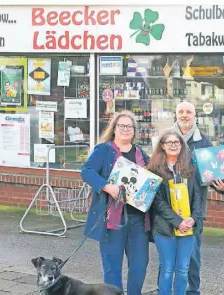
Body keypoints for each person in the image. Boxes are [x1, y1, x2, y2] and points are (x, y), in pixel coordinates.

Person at [81, 110, 150, 295]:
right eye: (122, 126)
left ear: (134, 131)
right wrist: (107, 187)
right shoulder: (104, 150)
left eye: (129, 126)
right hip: (112, 221)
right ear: (114, 129)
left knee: (139, 267)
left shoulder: (141, 154)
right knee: (112, 269)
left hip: (138, 221)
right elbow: (86, 172)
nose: (125, 129)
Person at [173, 101, 224, 295]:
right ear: (176, 114)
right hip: (170, 207)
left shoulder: (203, 140)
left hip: (194, 207)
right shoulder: (166, 138)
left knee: (192, 254)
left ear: (195, 115)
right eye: (181, 111)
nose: (184, 115)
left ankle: (192, 290)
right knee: (168, 254)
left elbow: (212, 173)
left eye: (188, 112)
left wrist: (223, 188)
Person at [147, 130, 202, 295]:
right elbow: (157, 202)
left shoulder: (189, 170)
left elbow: (197, 198)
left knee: (183, 269)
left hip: (188, 228)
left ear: (181, 146)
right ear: (162, 146)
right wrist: (178, 221)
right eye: (169, 142)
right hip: (164, 228)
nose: (173, 145)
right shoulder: (154, 170)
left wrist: (192, 219)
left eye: (176, 142)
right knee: (167, 269)